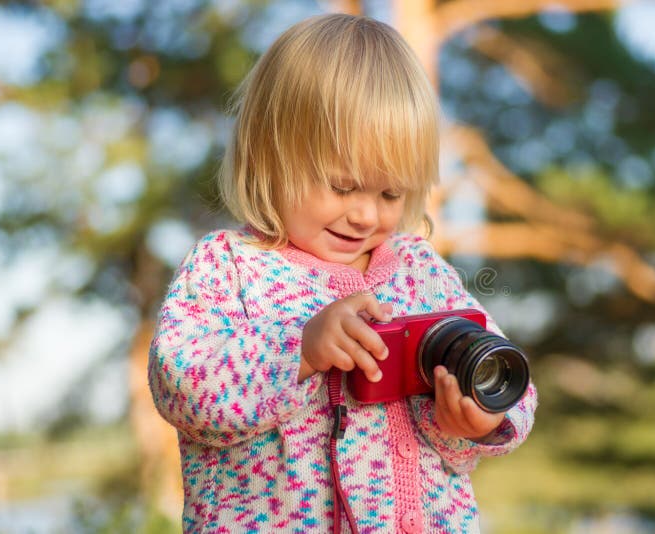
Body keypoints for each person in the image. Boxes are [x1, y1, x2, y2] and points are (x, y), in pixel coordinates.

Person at [148, 13, 537, 534]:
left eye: (390, 194)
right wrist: (300, 350)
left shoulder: (420, 272)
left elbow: (507, 373)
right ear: (270, 158)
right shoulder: (231, 267)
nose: (367, 215)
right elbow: (182, 388)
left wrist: (471, 422)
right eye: (342, 186)